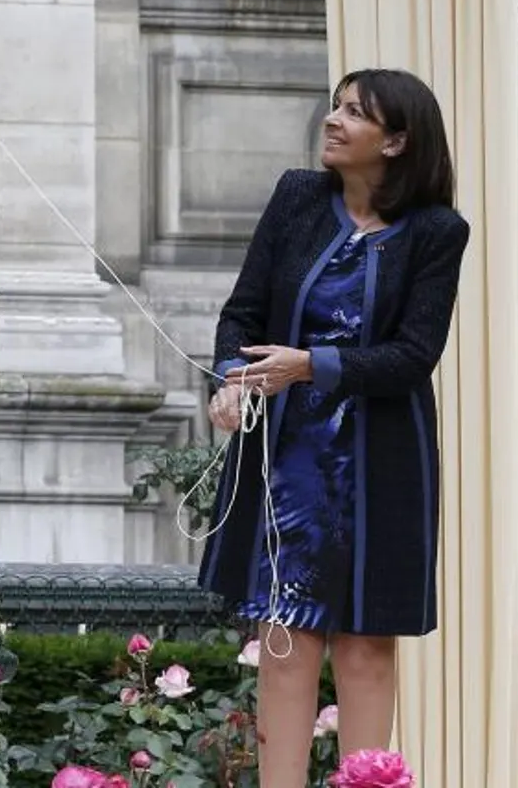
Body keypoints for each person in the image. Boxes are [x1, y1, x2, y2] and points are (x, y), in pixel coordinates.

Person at [198, 68, 469, 787]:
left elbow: (413, 356)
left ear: (397, 141)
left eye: (356, 112)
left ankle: (364, 780)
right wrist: (232, 379)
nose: (335, 119)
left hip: (381, 458)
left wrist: (307, 366)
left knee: (366, 643)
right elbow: (242, 313)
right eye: (337, 106)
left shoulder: (438, 232)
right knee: (285, 634)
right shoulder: (297, 198)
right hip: (287, 452)